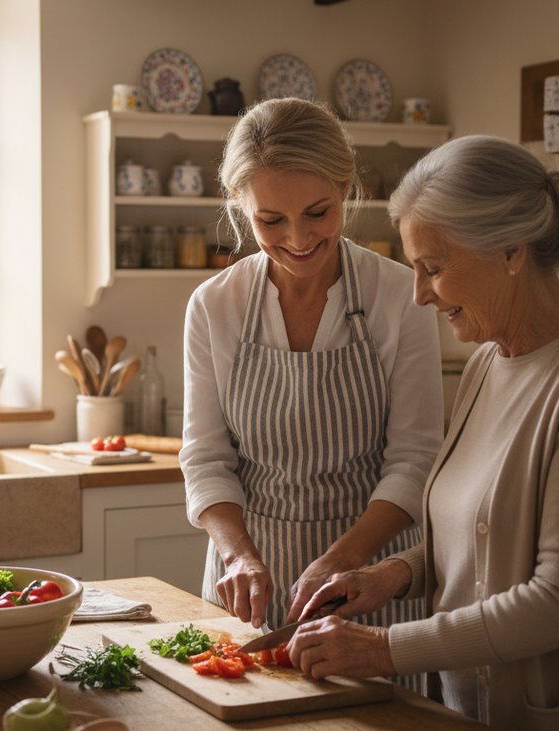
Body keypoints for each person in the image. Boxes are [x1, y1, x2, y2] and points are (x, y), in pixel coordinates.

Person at [287, 135, 559, 729]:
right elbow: (483, 534)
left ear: (511, 251)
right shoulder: (488, 362)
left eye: (434, 268)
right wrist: (392, 575)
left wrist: (383, 650)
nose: (420, 294)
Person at [179, 98, 444, 691]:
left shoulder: (400, 296)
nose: (297, 239)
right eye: (270, 220)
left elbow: (414, 458)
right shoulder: (215, 306)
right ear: (240, 207)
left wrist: (345, 558)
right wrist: (238, 556)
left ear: (346, 188)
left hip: (368, 585)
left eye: (317, 213)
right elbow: (206, 458)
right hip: (251, 587)